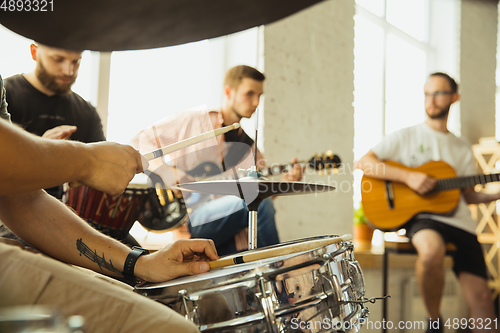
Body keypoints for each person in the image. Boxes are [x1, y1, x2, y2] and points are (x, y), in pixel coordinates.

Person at [0, 75, 219, 332]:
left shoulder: (83, 110)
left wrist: (140, 263)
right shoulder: (16, 88)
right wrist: (89, 161)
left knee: (205, 305)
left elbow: (24, 200)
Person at [355, 72, 496, 332]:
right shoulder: (405, 136)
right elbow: (364, 162)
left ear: (455, 97)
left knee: (484, 300)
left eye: (439, 93)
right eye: (427, 93)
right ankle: (434, 321)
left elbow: (468, 195)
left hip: (461, 222)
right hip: (425, 218)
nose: (431, 99)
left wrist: (496, 194)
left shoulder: (462, 147)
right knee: (431, 251)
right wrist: (408, 176)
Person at [131, 65, 303, 255]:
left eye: (259, 96)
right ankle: (280, 271)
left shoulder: (250, 151)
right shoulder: (194, 121)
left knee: (259, 202)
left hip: (232, 239)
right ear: (229, 91)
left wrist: (284, 184)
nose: (256, 102)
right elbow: (139, 141)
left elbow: (258, 201)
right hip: (190, 221)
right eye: (249, 94)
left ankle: (271, 273)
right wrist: (164, 170)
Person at [5, 42, 105, 199]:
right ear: (34, 52)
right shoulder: (4, 96)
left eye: (75, 61)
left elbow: (99, 171)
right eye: (58, 59)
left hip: (61, 213)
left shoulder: (87, 113)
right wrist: (41, 151)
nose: (68, 71)